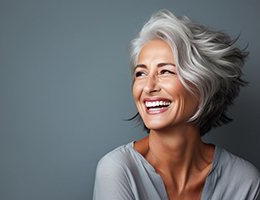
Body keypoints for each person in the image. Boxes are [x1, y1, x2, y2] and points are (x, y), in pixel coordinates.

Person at [93, 9, 260, 200]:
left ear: (202, 85)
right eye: (141, 73)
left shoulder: (244, 181)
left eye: (165, 71)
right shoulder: (118, 170)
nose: (148, 87)